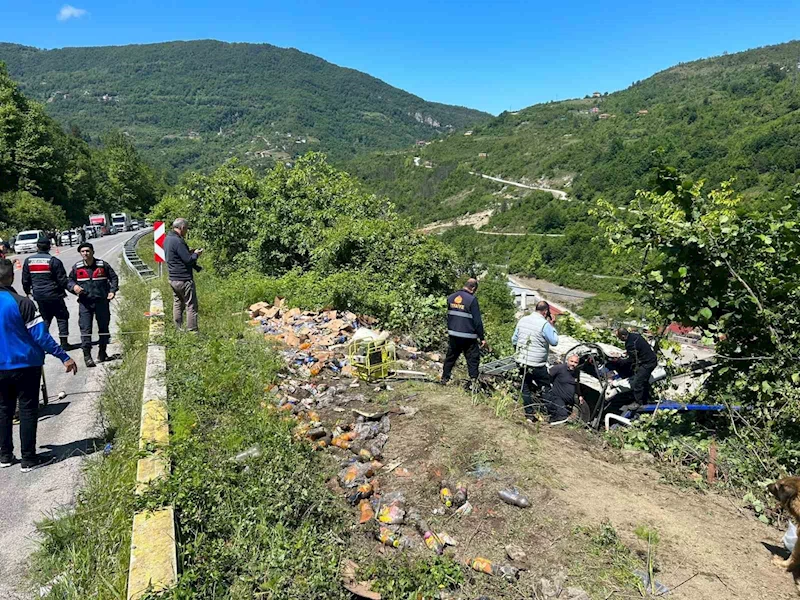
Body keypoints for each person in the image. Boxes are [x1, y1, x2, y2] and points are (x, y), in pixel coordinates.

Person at [0, 258, 78, 471]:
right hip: (25, 365)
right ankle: (29, 459)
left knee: (3, 410)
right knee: (27, 410)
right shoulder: (22, 303)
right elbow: (41, 337)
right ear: (11, 277)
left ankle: (5, 456)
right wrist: (64, 356)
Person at [67, 243, 119, 367]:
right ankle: (87, 356)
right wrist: (74, 287)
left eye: (87, 251)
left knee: (103, 328)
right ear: (80, 253)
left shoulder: (102, 265)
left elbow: (114, 278)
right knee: (86, 329)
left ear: (92, 252)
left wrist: (112, 291)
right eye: (83, 251)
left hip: (101, 302)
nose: (85, 253)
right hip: (85, 303)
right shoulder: (77, 267)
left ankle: (102, 353)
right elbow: (68, 281)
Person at [512, 300, 559, 420]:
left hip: (521, 360)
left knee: (525, 387)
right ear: (546, 312)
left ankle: (529, 414)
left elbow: (514, 339)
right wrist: (552, 325)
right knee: (545, 388)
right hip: (537, 363)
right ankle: (553, 416)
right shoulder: (545, 325)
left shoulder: (523, 320)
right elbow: (554, 341)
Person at [22, 239, 71, 349]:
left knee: (45, 318)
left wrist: (27, 292)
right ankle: (64, 343)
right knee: (62, 317)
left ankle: (43, 344)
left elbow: (25, 280)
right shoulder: (53, 261)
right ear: (49, 247)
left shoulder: (28, 261)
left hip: (39, 296)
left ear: (37, 247)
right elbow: (62, 280)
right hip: (54, 295)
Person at [441, 278, 486, 386]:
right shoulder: (472, 300)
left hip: (454, 334)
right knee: (473, 359)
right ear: (473, 288)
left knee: (450, 357)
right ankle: (474, 382)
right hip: (468, 336)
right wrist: (482, 338)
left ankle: (444, 378)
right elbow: (477, 322)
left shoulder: (451, 297)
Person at [164, 218, 203, 331]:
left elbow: (177, 256)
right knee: (191, 305)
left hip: (173, 278)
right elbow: (188, 261)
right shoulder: (178, 241)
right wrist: (196, 254)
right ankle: (192, 331)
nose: (186, 231)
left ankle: (178, 329)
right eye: (186, 229)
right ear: (182, 227)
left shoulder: (167, 239)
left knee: (177, 303)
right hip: (184, 279)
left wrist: (188, 252)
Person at [612, 327, 658, 409]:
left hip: (647, 363)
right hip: (652, 359)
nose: (619, 339)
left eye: (619, 337)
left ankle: (638, 403)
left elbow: (631, 360)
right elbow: (638, 348)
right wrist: (628, 352)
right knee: (644, 381)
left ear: (623, 336)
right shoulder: (634, 336)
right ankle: (647, 399)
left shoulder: (629, 343)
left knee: (638, 382)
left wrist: (618, 361)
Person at [544, 353, 584, 425]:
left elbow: (576, 383)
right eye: (571, 361)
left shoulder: (576, 372)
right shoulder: (559, 368)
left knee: (563, 418)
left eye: (575, 362)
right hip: (557, 397)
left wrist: (580, 395)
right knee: (562, 415)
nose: (573, 364)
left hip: (568, 401)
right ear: (567, 361)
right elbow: (546, 375)